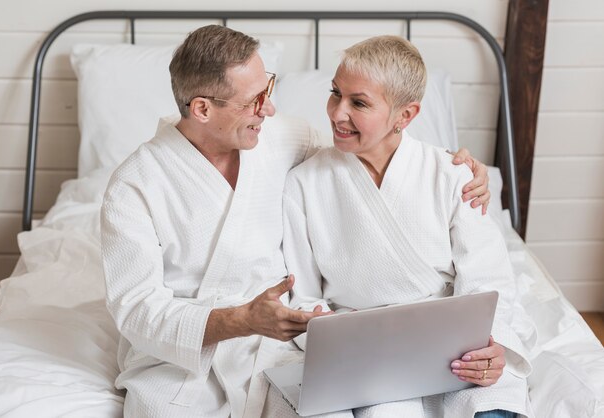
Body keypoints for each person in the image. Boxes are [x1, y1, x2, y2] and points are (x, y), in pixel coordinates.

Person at [101, 26, 492, 418]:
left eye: (267, 89)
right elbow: (136, 311)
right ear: (202, 109)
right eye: (254, 101)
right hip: (180, 363)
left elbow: (354, 166)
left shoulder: (283, 138)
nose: (268, 110)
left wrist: (449, 168)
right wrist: (240, 320)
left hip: (275, 351)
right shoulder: (134, 185)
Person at [281, 36, 535, 417]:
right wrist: (339, 336)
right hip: (366, 351)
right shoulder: (304, 183)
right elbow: (303, 295)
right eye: (335, 93)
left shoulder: (452, 176)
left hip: (457, 348)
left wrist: (489, 347)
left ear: (405, 116)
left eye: (359, 103)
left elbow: (489, 282)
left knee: (492, 407)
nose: (336, 113)